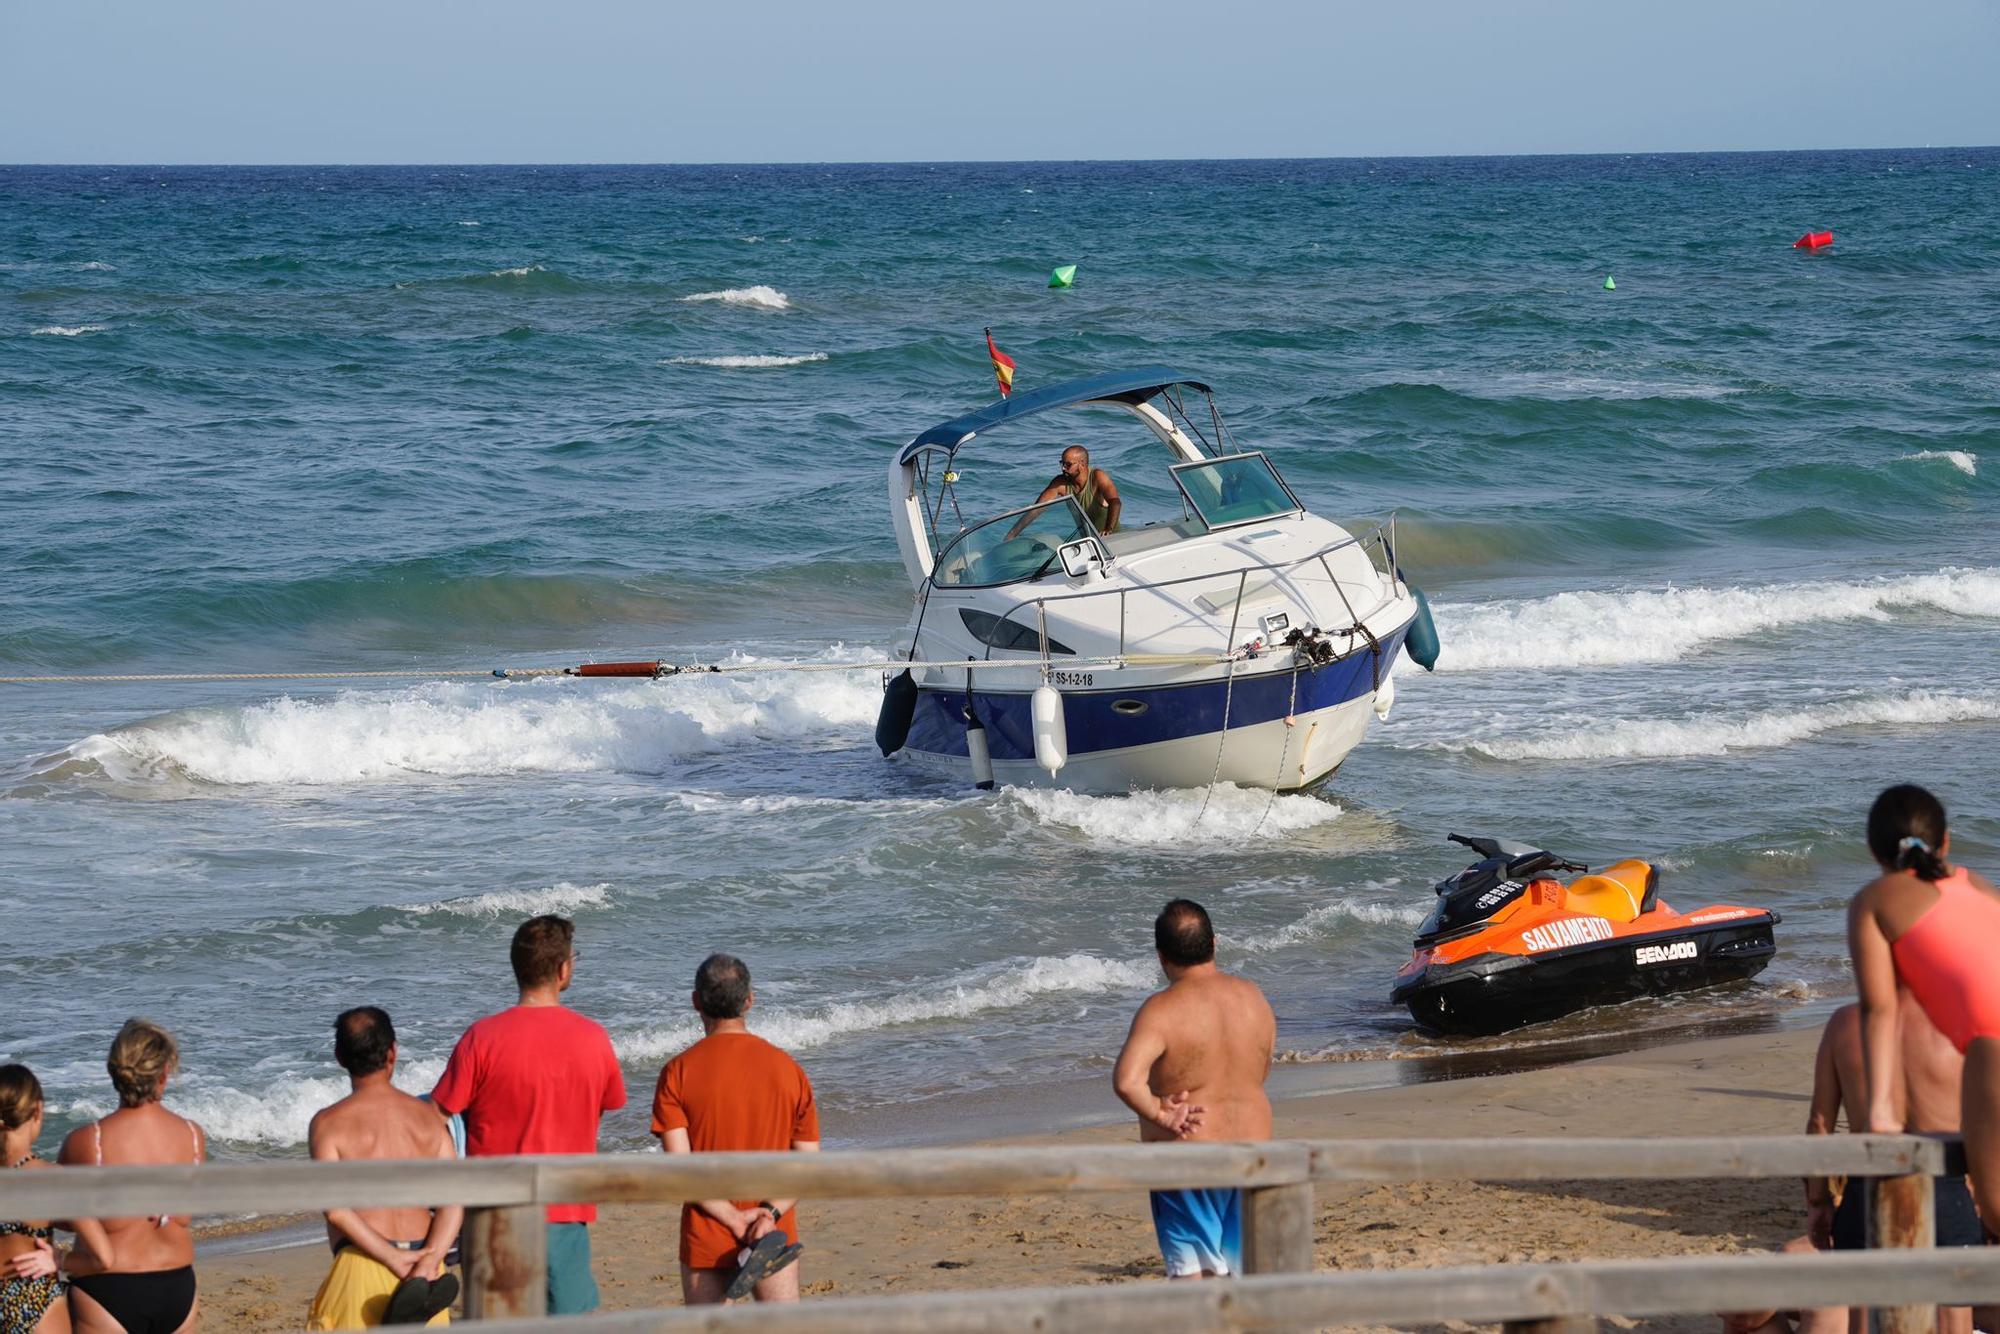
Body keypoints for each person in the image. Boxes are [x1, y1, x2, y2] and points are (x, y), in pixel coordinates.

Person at [430, 916, 625, 1317]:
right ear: (563, 970)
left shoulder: (481, 1037)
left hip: (493, 1213)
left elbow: (437, 1116)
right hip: (564, 1209)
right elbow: (607, 1103)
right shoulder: (593, 1038)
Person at [1847, 784, 2000, 1233]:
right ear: (1946, 840)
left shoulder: (1874, 900)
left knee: (1995, 1216)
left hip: (1992, 1047)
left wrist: (1880, 1114)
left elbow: (1879, 1008)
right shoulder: (1980, 885)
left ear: (1873, 851)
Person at [1112, 899, 1276, 1279]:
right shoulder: (1253, 998)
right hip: (1255, 1155)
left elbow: (1126, 1081)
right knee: (1245, 1276)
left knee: (1195, 1282)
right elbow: (1260, 1069)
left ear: (1160, 957)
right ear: (1214, 943)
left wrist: (1159, 1112)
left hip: (1191, 1161)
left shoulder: (1162, 1010)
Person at [650, 954, 820, 1306]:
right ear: (749, 1000)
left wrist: (732, 1218)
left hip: (708, 1227)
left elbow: (681, 1169)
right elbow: (808, 1166)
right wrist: (768, 1213)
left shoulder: (677, 1072)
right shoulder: (788, 1069)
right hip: (770, 1228)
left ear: (696, 1001)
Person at [306, 1008, 463, 1329]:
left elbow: (336, 1211)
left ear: (339, 1056)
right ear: (393, 1052)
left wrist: (392, 1259)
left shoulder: (328, 1123)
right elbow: (453, 1201)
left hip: (363, 1261)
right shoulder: (428, 1119)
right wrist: (431, 1258)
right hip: (425, 1271)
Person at [57, 1020, 205, 1334]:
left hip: (108, 1288)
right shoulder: (192, 1135)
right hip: (177, 1284)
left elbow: (63, 1218)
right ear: (165, 1072)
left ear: (114, 1071)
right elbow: (186, 1212)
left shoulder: (88, 1140)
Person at [3, 1063, 116, 1334]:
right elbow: (102, 1258)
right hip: (33, 1298)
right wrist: (60, 1260)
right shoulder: (51, 1178)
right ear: (38, 1112)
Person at [1011, 445, 1121, 537]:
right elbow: (1036, 509)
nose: (1063, 468)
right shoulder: (1060, 483)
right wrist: (1011, 535)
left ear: (1082, 464)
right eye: (1062, 463)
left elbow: (1115, 502)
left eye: (1068, 464)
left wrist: (1108, 530)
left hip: (1112, 538)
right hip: (1088, 542)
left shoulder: (1097, 476)